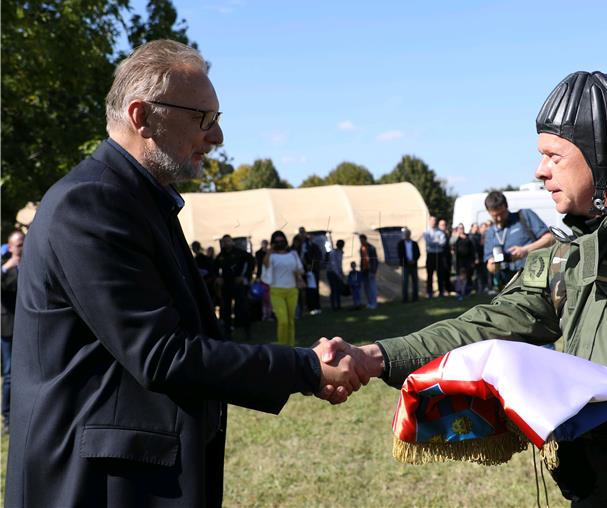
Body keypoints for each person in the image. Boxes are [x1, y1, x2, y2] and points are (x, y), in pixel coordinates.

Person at [324, 71, 607, 506]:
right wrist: (374, 356)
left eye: (554, 156)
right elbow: (487, 326)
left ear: (601, 158)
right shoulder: (576, 256)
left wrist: (555, 401)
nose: (540, 171)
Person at [4, 40, 363, 508]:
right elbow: (162, 354)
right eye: (203, 119)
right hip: (92, 486)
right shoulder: (90, 204)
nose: (216, 137)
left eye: (217, 120)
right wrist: (306, 367)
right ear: (142, 116)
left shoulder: (138, 199)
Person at [482, 191, 553, 291]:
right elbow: (490, 266)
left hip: (535, 277)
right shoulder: (490, 233)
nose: (499, 218)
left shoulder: (524, 216)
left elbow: (550, 238)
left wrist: (525, 250)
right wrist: (495, 263)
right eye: (495, 215)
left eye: (502, 213)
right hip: (509, 284)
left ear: (506, 207)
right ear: (488, 212)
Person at [261, 231, 305, 346]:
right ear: (272, 243)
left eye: (281, 241)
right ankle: (282, 347)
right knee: (283, 321)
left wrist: (300, 279)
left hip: (292, 290)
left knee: (290, 321)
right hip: (276, 291)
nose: (279, 243)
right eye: (276, 241)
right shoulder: (271, 256)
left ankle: (291, 346)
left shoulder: (293, 254)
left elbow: (298, 270)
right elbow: (265, 265)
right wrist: (269, 251)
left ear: (285, 241)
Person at [1, 230, 24, 435]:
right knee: (8, 375)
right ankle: (7, 418)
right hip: (8, 328)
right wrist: (7, 268)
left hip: (25, 328)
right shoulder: (5, 268)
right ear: (10, 247)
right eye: (18, 245)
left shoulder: (27, 265)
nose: (21, 248)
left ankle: (21, 415)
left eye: (23, 244)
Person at [216, 234, 255, 338]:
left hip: (238, 284)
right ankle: (227, 332)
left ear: (232, 242)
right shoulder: (221, 255)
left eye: (228, 241)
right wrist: (218, 277)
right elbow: (214, 267)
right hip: (226, 286)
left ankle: (247, 331)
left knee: (242, 307)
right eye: (224, 242)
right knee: (225, 309)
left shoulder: (240, 253)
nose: (226, 243)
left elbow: (251, 261)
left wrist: (245, 276)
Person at [294, 226, 323, 316]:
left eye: (303, 233)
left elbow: (318, 257)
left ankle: (315, 307)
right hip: (302, 271)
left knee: (313, 289)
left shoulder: (312, 245)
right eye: (300, 233)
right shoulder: (297, 246)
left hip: (312, 271)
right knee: (303, 290)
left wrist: (311, 265)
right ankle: (305, 308)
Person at [423, 216, 447, 298]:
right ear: (429, 222)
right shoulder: (426, 232)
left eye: (434, 221)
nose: (433, 222)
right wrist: (437, 241)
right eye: (432, 221)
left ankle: (441, 292)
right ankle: (430, 292)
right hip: (430, 255)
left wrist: (434, 242)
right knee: (430, 274)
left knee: (440, 274)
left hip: (439, 254)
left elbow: (443, 242)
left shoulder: (440, 232)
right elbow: (428, 243)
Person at [396, 228, 421, 303]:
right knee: (405, 282)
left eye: (408, 234)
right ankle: (405, 299)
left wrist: (414, 260)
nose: (407, 235)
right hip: (405, 266)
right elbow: (400, 254)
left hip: (413, 265)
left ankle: (415, 298)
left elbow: (418, 253)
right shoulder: (400, 244)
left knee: (415, 282)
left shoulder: (414, 243)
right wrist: (407, 261)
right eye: (405, 234)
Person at [452, 223, 477, 296]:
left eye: (462, 228)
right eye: (459, 228)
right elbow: (451, 244)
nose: (461, 229)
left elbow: (472, 249)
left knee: (468, 275)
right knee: (460, 276)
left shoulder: (468, 237)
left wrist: (474, 259)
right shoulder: (456, 237)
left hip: (468, 260)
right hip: (459, 260)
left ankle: (466, 291)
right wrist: (456, 236)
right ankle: (459, 291)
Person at [253, 239, 273, 320]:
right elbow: (259, 265)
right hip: (262, 276)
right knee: (264, 297)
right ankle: (265, 314)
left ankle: (269, 314)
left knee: (269, 297)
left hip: (269, 277)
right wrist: (258, 277)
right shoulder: (258, 253)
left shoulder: (270, 253)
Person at [359, 234, 379, 309]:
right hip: (364, 270)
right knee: (366, 287)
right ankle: (370, 302)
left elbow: (375, 260)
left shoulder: (371, 248)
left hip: (371, 270)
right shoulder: (361, 248)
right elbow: (362, 260)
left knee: (372, 287)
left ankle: (374, 303)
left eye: (361, 239)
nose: (360, 241)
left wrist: (374, 270)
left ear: (365, 239)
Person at [326, 239, 346, 311]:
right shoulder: (333, 253)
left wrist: (341, 272)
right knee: (334, 289)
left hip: (337, 273)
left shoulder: (340, 252)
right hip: (331, 273)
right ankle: (333, 306)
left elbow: (339, 264)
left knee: (338, 289)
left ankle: (338, 305)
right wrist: (338, 275)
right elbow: (334, 265)